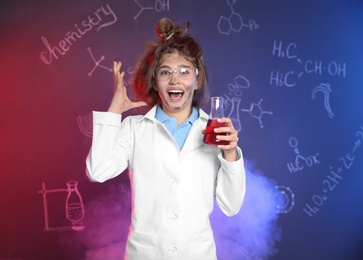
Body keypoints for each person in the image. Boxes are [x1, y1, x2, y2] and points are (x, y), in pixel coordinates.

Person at [86, 17, 246, 260]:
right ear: (154, 82)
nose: (175, 79)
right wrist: (114, 112)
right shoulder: (134, 128)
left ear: (197, 79)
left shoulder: (216, 133)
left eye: (184, 71)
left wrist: (230, 154)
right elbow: (97, 171)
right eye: (165, 72)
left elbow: (231, 206)